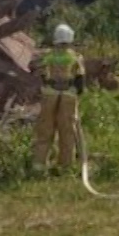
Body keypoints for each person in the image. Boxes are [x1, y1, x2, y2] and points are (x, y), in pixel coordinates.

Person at [32, 23, 86, 173]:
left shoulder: (49, 55)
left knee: (45, 128)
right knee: (67, 130)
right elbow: (80, 76)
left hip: (50, 93)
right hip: (68, 94)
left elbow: (40, 72)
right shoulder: (74, 56)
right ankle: (65, 165)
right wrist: (79, 91)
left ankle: (39, 164)